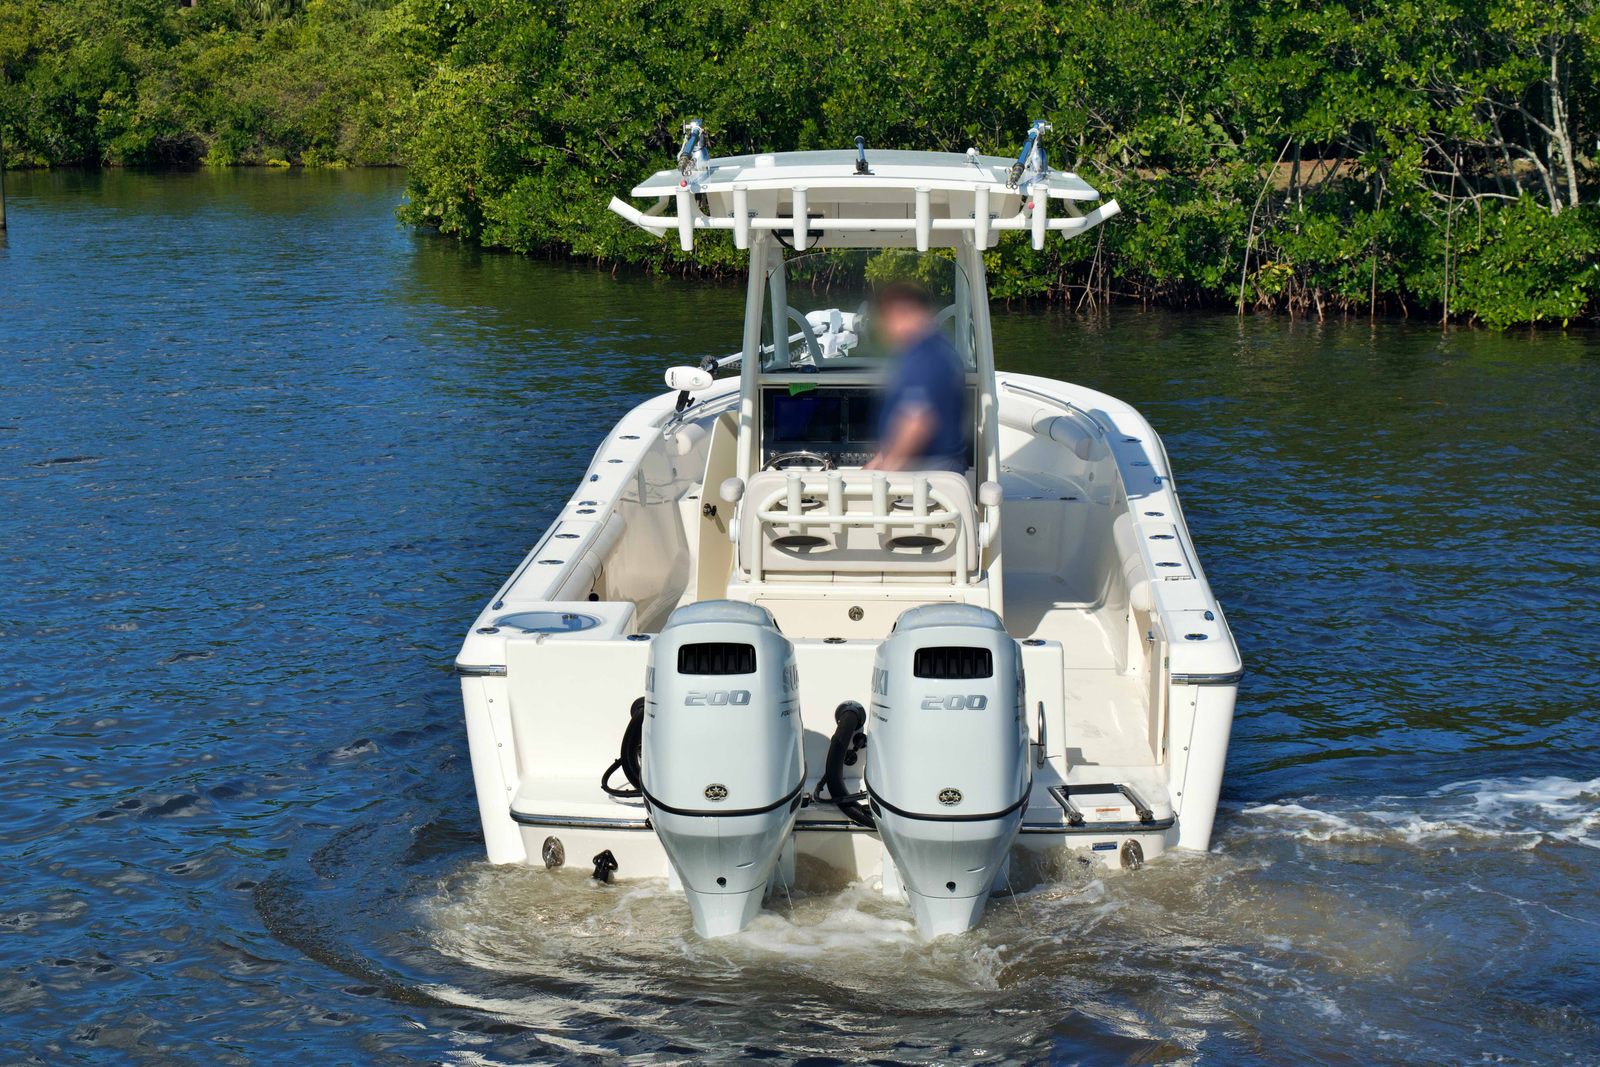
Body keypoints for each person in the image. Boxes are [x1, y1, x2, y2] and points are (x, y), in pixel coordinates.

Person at [864, 281, 967, 472]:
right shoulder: (931, 349)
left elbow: (916, 424)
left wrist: (881, 476)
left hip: (927, 473)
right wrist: (870, 470)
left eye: (888, 319)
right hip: (922, 468)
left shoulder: (927, 358)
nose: (886, 328)